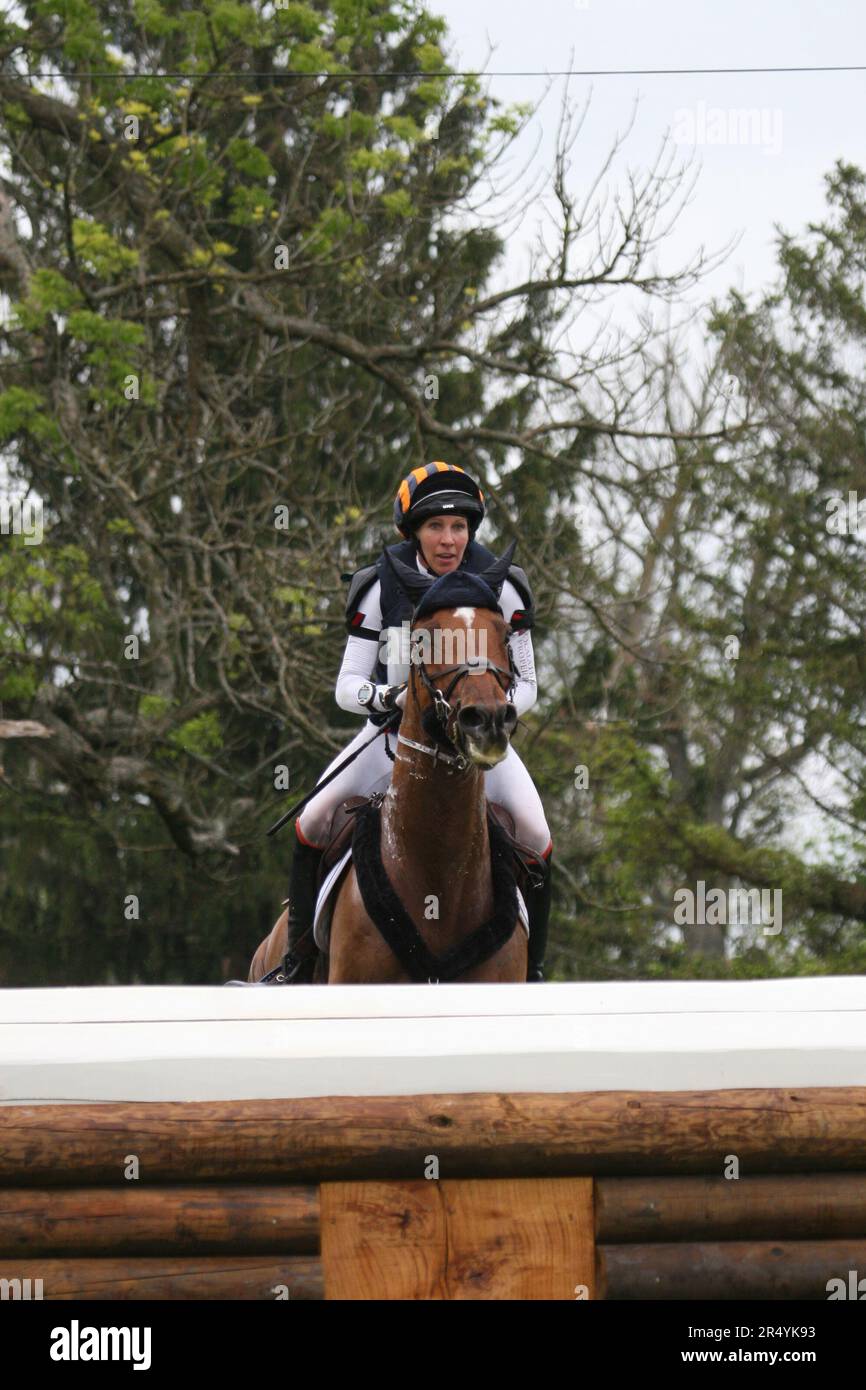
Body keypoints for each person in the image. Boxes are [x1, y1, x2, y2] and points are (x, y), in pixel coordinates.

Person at [281, 461, 553, 982]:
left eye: (459, 527)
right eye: (435, 527)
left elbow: (530, 684)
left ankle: (534, 971)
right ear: (412, 532)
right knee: (312, 821)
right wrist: (395, 697)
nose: (448, 540)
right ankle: (298, 960)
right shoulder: (380, 588)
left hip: (479, 738)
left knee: (538, 836)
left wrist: (490, 711)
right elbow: (346, 687)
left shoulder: (505, 588)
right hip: (390, 737)